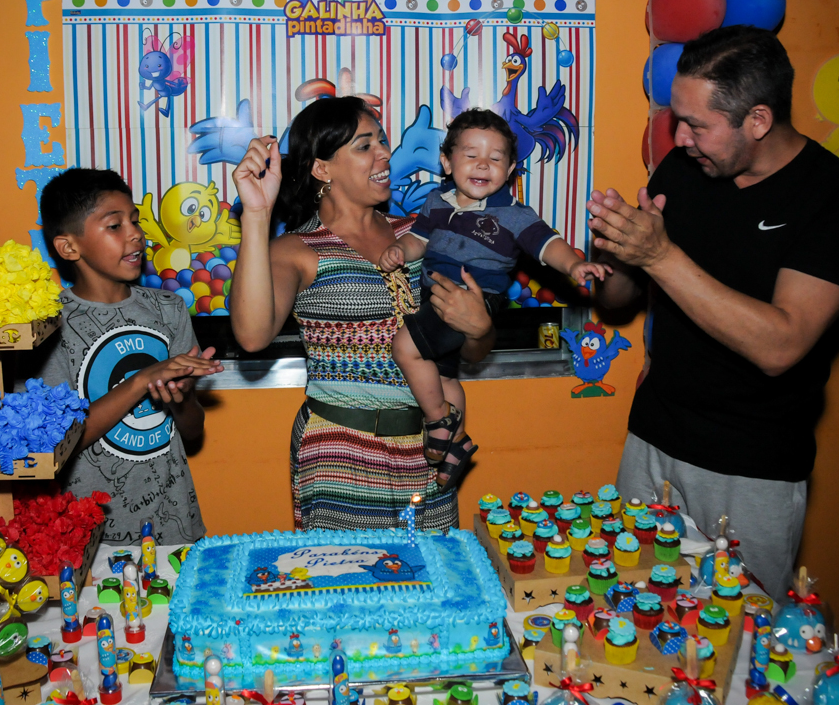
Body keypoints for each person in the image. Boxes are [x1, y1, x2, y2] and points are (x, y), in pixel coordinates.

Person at [590, 26, 839, 602]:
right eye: (678, 120)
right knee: (625, 612)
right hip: (653, 441)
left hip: (751, 468)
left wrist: (659, 255)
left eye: (697, 125)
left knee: (737, 633)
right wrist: (620, 252)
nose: (681, 138)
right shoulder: (684, 169)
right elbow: (617, 300)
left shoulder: (838, 197)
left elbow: (782, 345)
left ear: (758, 120)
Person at [228, 96, 496, 531]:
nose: (384, 153)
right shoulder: (297, 250)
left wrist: (480, 329)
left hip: (430, 450)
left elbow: (471, 350)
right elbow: (252, 336)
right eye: (364, 145)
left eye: (382, 141)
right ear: (322, 169)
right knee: (345, 574)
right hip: (338, 457)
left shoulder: (423, 236)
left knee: (434, 574)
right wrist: (257, 215)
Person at [379, 109, 609, 491]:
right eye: (471, 155)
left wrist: (574, 264)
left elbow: (547, 243)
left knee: (404, 348)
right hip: (433, 299)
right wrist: (399, 250)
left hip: (476, 300)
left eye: (495, 158)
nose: (483, 164)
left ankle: (438, 421)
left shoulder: (513, 214)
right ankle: (457, 443)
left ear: (511, 169)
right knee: (445, 376)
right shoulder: (436, 201)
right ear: (447, 162)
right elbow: (419, 239)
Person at [29, 168, 223, 545]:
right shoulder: (48, 326)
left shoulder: (169, 309)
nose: (135, 233)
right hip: (87, 535)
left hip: (172, 524)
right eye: (115, 225)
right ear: (69, 247)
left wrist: (181, 398)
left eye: (135, 221)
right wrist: (140, 381)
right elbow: (56, 442)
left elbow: (193, 430)